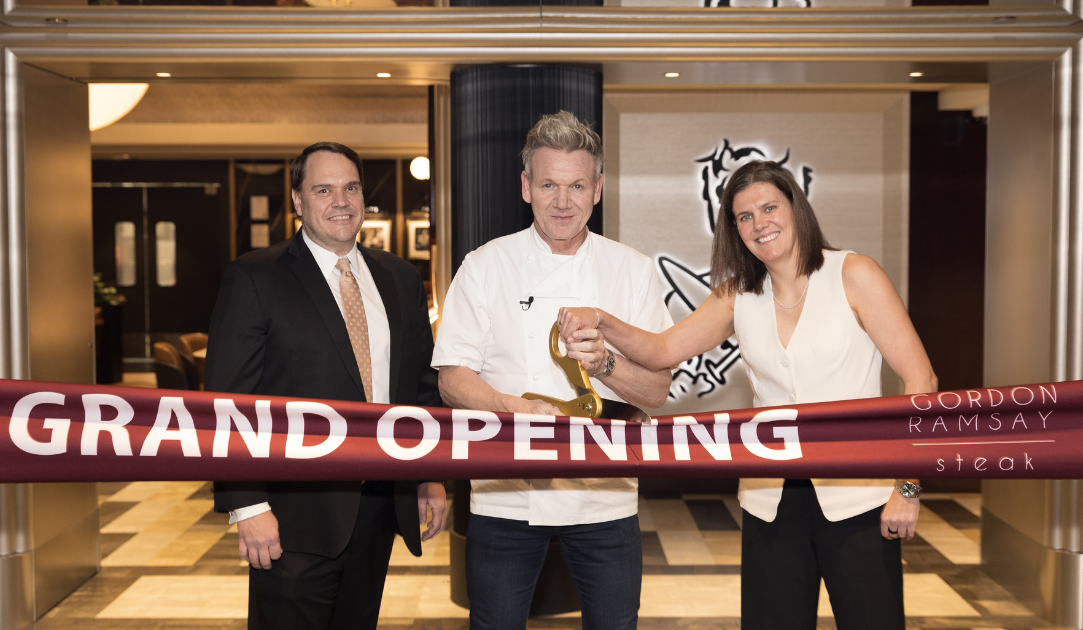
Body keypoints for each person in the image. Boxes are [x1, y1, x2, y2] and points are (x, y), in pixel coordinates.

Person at [558, 160, 937, 630]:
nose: (760, 224)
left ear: (796, 208)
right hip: (770, 501)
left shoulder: (854, 273)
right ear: (734, 230)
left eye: (769, 207)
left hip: (858, 498)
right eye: (744, 217)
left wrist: (908, 486)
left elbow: (921, 380)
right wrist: (602, 319)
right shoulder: (738, 294)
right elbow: (661, 350)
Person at [432, 110, 673, 630]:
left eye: (577, 185)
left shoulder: (631, 269)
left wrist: (604, 363)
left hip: (606, 493)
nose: (563, 201)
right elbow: (451, 378)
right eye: (548, 184)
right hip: (505, 490)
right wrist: (515, 408)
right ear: (525, 187)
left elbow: (656, 390)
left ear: (598, 189)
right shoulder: (484, 265)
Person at [205, 141, 447, 630]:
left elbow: (419, 389)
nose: (341, 201)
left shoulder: (399, 278)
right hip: (292, 518)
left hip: (379, 509)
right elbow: (228, 404)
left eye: (351, 187)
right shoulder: (255, 276)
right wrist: (247, 505)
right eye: (323, 189)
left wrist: (427, 475)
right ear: (297, 200)